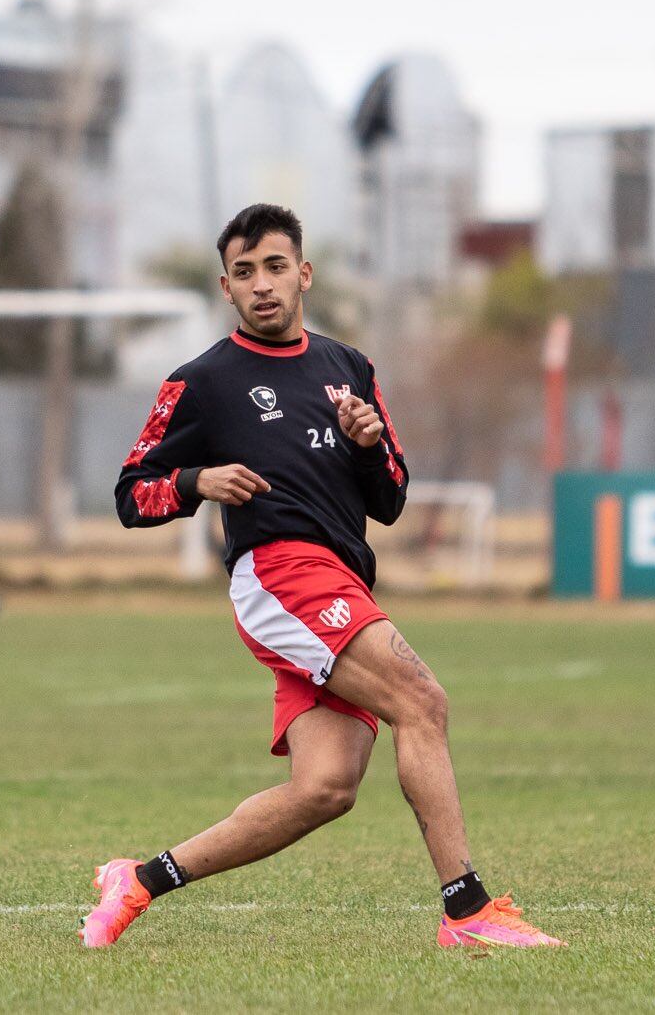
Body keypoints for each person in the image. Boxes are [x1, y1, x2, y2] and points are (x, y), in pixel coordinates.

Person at [87, 203, 564, 953]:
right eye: (244, 273)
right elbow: (129, 494)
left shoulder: (350, 369)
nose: (262, 284)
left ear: (303, 273)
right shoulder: (203, 381)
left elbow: (393, 497)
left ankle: (138, 879)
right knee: (423, 700)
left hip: (339, 582)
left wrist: (370, 446)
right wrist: (197, 479)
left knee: (325, 789)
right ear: (226, 287)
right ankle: (467, 910)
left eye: (275, 266)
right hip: (280, 571)